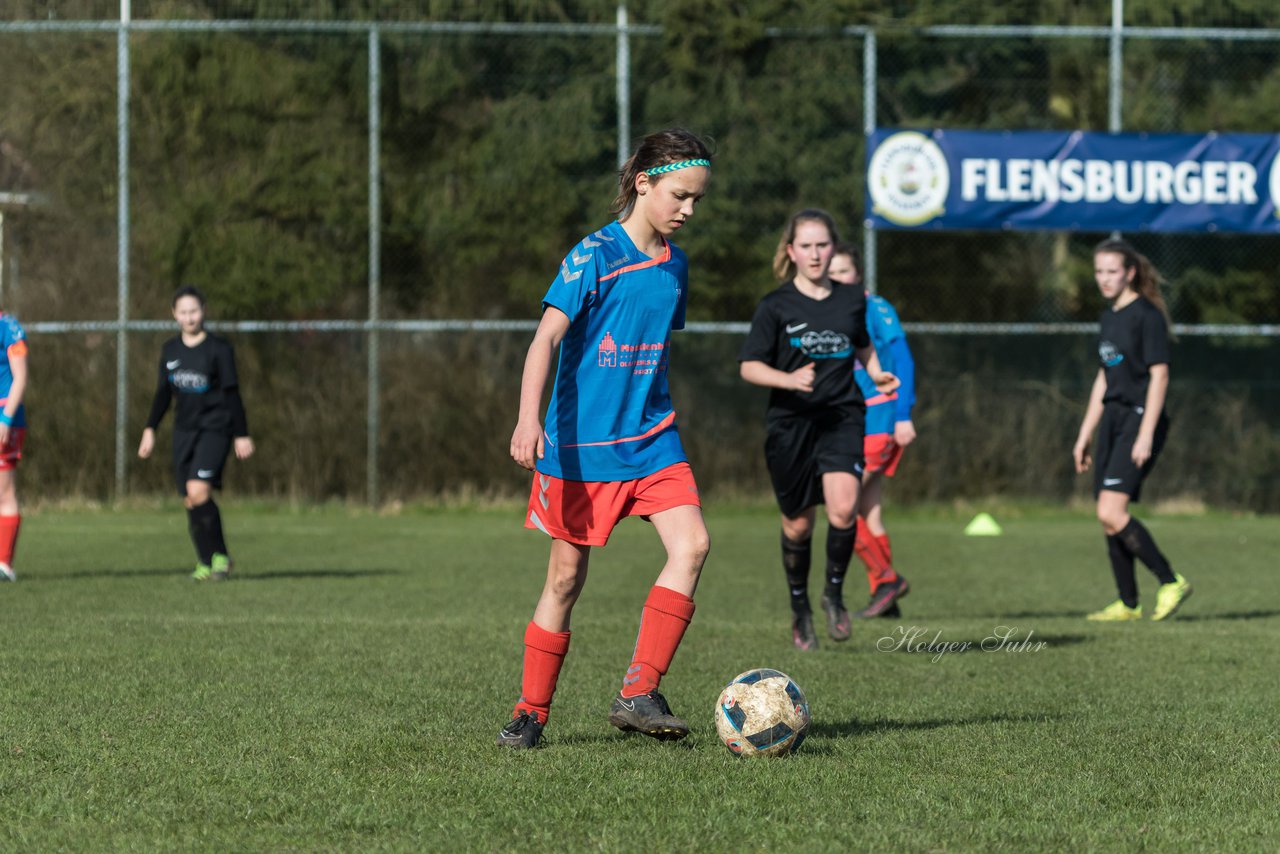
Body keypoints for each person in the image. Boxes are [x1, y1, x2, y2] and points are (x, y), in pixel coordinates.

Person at [497, 128, 713, 750]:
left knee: (693, 544)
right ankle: (531, 711)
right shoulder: (593, 254)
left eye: (697, 199)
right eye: (679, 195)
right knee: (565, 579)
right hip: (581, 450)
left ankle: (639, 691)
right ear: (643, 184)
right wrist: (527, 419)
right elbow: (545, 339)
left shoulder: (676, 264)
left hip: (652, 440)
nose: (687, 210)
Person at [739, 210, 900, 651]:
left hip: (843, 417)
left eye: (822, 245)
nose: (815, 254)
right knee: (797, 526)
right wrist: (788, 380)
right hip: (790, 425)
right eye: (806, 246)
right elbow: (749, 366)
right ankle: (800, 609)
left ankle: (833, 595)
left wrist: (879, 374)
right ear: (791, 251)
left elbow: (862, 345)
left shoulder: (852, 299)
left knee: (844, 510)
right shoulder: (775, 305)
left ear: (834, 249)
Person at [1073, 239, 1190, 621]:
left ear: (1130, 272)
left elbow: (1160, 376)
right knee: (1106, 516)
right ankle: (1127, 603)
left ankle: (1171, 580)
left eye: (1112, 272)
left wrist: (1144, 433)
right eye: (1099, 272)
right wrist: (1085, 432)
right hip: (1113, 419)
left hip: (1141, 417)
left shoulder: (1147, 316)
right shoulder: (1109, 317)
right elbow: (1104, 379)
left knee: (1112, 509)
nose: (1104, 279)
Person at [138, 285, 255, 582]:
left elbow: (232, 394)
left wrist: (241, 433)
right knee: (190, 499)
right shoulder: (170, 351)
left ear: (203, 311)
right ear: (174, 315)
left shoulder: (219, 349)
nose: (189, 317)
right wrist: (150, 429)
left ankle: (221, 556)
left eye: (194, 311)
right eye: (183, 312)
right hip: (184, 431)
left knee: (198, 490)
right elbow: (163, 394)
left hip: (215, 428)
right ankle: (205, 561)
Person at [828, 243, 917, 619]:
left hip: (879, 419)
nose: (837, 278)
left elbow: (903, 360)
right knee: (868, 512)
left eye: (844, 271)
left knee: (840, 504)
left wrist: (903, 415)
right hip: (856, 420)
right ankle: (886, 600)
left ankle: (886, 579)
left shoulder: (874, 307)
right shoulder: (830, 310)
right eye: (831, 273)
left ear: (858, 275)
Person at [0, 310, 29, 582]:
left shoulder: (8, 326)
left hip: (3, 418)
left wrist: (6, 418)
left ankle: (4, 564)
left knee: (4, 490)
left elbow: (19, 377)